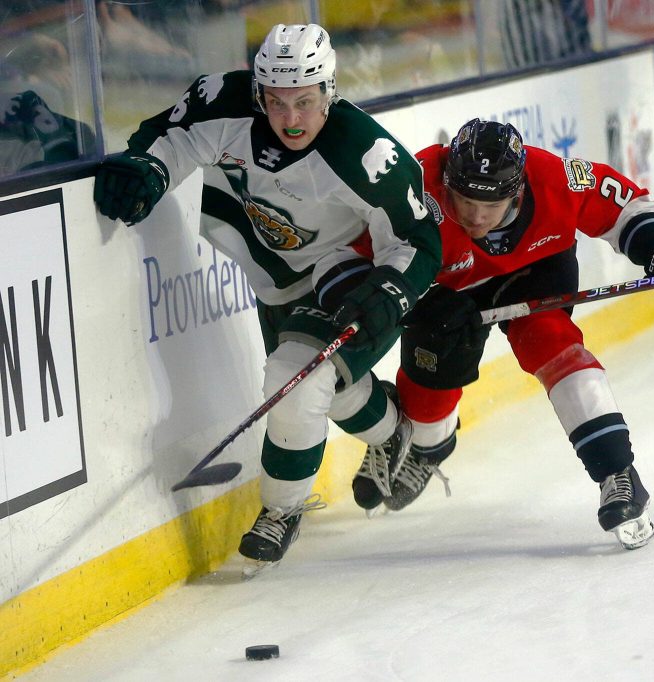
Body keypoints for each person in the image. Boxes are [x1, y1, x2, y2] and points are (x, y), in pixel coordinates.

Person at [92, 23, 441, 565]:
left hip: (345, 270)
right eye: (276, 103)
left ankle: (281, 510)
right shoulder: (225, 103)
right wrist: (151, 169)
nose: (291, 119)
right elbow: (174, 137)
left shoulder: (365, 154)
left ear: (330, 91)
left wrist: (392, 290)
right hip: (273, 276)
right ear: (259, 94)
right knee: (326, 383)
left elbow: (418, 238)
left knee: (293, 379)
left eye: (305, 101)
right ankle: (393, 429)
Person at [352, 118, 654, 549]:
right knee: (432, 377)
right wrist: (419, 301)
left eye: (490, 205)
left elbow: (625, 207)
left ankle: (617, 474)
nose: (475, 216)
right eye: (464, 200)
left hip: (534, 274)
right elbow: (361, 260)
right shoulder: (415, 185)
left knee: (554, 345)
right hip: (447, 295)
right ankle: (428, 445)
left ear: (517, 188)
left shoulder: (552, 177)